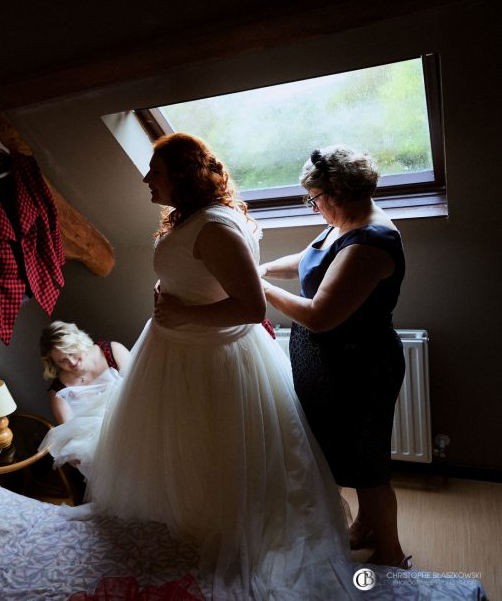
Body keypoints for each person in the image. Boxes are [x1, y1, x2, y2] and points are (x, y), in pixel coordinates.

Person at [82, 133, 357, 599]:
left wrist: (182, 312)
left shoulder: (215, 227)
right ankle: (186, 526)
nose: (147, 179)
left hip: (208, 357)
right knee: (180, 446)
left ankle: (219, 532)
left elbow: (252, 308)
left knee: (214, 449)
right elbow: (201, 273)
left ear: (182, 178)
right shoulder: (190, 218)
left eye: (157, 172)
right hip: (177, 346)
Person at [259, 146, 410, 569]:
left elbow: (319, 316)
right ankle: (363, 526)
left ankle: (392, 553)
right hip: (330, 363)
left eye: (315, 198)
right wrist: (265, 268)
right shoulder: (345, 224)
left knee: (368, 463)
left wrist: (258, 289)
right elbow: (312, 261)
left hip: (359, 366)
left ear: (336, 193)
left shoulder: (371, 243)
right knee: (342, 455)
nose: (314, 207)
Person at [38, 321, 131, 482]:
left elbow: (141, 388)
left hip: (135, 421)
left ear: (79, 341)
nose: (72, 362)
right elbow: (71, 438)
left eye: (72, 352)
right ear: (53, 363)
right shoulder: (59, 392)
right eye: (62, 361)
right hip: (104, 450)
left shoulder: (112, 351)